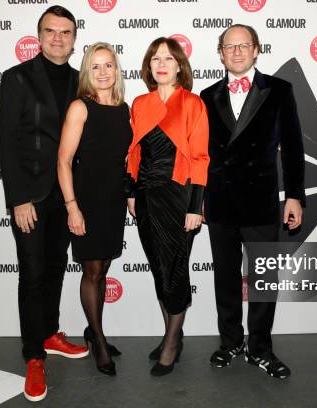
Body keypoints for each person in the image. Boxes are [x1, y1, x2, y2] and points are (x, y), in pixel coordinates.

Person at [199, 24, 306, 379]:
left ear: (257, 50)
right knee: (225, 278)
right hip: (221, 202)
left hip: (261, 201)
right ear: (220, 53)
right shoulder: (207, 94)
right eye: (230, 46)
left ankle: (260, 348)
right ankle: (230, 341)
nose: (237, 51)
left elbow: (292, 147)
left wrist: (294, 196)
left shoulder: (278, 90)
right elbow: (201, 156)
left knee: (263, 278)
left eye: (244, 45)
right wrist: (197, 200)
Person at [0, 5, 87, 402]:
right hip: (30, 197)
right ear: (39, 35)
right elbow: (6, 141)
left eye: (65, 32)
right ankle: (34, 355)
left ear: (74, 38)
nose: (58, 38)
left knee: (53, 270)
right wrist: (18, 198)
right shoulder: (16, 78)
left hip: (66, 196)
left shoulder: (80, 81)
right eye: (51, 31)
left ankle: (49, 333)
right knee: (31, 275)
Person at [126, 37, 209, 376]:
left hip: (179, 198)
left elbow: (202, 157)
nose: (161, 64)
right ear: (149, 66)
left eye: (168, 58)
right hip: (146, 198)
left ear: (179, 66)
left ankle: (172, 343)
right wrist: (131, 194)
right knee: (159, 269)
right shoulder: (140, 103)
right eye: (155, 58)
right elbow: (133, 153)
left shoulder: (192, 103)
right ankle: (171, 333)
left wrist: (196, 206)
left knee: (175, 269)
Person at [57, 42, 131, 376]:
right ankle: (98, 340)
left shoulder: (124, 107)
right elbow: (63, 160)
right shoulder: (80, 107)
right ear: (87, 71)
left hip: (113, 200)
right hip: (86, 199)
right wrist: (72, 207)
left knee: (102, 267)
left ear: (117, 70)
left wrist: (130, 196)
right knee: (92, 271)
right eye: (96, 66)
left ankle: (91, 329)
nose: (102, 72)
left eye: (109, 65)